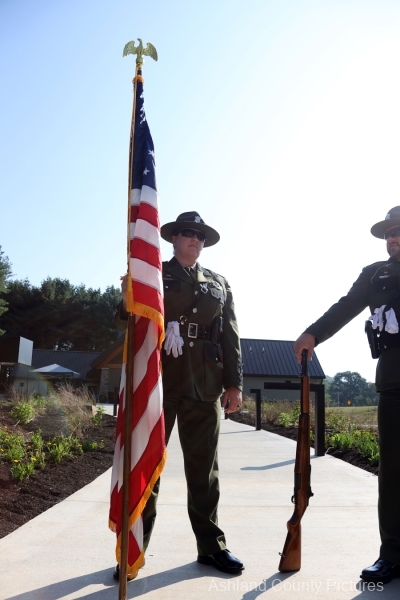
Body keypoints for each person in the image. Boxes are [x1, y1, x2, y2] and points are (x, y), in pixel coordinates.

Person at [118, 211, 244, 576]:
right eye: (188, 233)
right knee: (148, 467)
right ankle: (134, 552)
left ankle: (212, 547)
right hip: (160, 381)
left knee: (205, 472)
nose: (195, 240)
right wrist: (128, 293)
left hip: (205, 385)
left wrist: (234, 384)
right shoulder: (153, 273)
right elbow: (127, 318)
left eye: (200, 236)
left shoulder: (219, 283)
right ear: (174, 238)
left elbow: (230, 336)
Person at [294, 206, 400, 585]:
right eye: (388, 232)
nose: (392, 237)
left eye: (398, 230)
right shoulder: (374, 274)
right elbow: (346, 307)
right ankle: (392, 554)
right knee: (393, 473)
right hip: (393, 382)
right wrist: (313, 333)